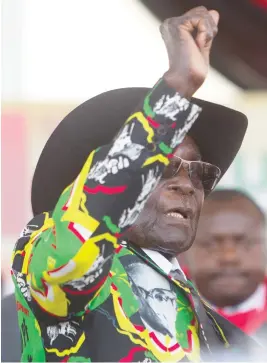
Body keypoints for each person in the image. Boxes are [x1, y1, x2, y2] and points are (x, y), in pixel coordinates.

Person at [11, 6, 259, 362]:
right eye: (162, 167)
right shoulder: (50, 258)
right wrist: (176, 88)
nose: (187, 185)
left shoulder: (221, 333)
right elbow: (72, 251)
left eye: (199, 173)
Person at [185, 189, 267, 344]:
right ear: (186, 249)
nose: (229, 257)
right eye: (209, 244)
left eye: (246, 243)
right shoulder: (153, 309)